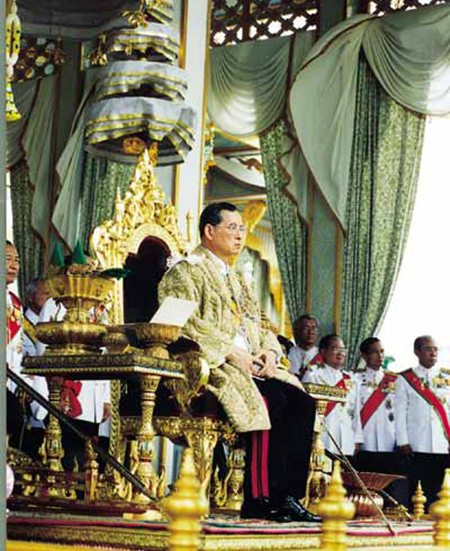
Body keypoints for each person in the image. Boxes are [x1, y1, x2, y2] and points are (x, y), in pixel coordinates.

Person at [158, 202, 319, 523]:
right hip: (214, 365)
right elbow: (179, 322)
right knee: (267, 403)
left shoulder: (237, 279)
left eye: (242, 228)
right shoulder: (186, 271)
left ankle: (287, 496)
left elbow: (262, 324)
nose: (240, 234)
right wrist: (232, 352)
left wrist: (270, 354)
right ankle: (260, 499)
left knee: (301, 403)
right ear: (209, 231)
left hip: (254, 366)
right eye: (232, 227)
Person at [36, 297, 111, 471]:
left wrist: (105, 398)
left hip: (93, 399)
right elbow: (42, 352)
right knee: (66, 457)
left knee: (89, 459)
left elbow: (106, 355)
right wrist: (54, 388)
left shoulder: (100, 309)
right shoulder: (55, 304)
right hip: (64, 395)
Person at [395, 336, 450, 509]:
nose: (433, 352)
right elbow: (399, 412)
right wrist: (403, 441)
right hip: (416, 443)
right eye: (428, 349)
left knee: (441, 490)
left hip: (443, 443)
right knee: (417, 492)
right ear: (417, 352)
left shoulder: (446, 378)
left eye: (435, 349)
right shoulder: (405, 379)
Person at [355, 338, 407, 505]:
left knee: (389, 487)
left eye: (382, 351)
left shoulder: (395, 381)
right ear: (364, 355)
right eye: (374, 352)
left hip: (389, 440)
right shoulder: (355, 379)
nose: (380, 356)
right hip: (366, 440)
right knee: (364, 487)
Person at [302, 334, 362, 458]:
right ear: (323, 352)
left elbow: (356, 413)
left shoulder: (351, 380)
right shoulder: (313, 375)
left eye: (343, 349)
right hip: (322, 438)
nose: (340, 353)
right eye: (335, 348)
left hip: (346, 440)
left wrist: (357, 439)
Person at [21, 277, 50, 460]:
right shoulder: (21, 324)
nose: (49, 299)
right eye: (45, 294)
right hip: (30, 390)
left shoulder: (50, 324)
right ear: (31, 297)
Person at [288, 315, 322, 380]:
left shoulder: (322, 356)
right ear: (298, 331)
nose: (311, 332)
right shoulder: (288, 352)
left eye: (314, 328)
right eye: (306, 328)